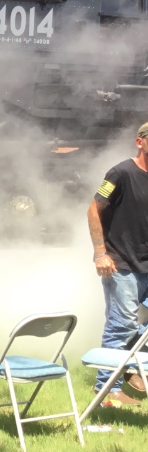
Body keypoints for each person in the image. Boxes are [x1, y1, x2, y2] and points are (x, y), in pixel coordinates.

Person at [86, 121, 148, 406]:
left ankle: (134, 368)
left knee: (136, 327)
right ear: (140, 142)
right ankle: (106, 391)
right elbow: (93, 209)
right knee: (121, 325)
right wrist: (100, 253)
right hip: (121, 263)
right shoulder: (120, 173)